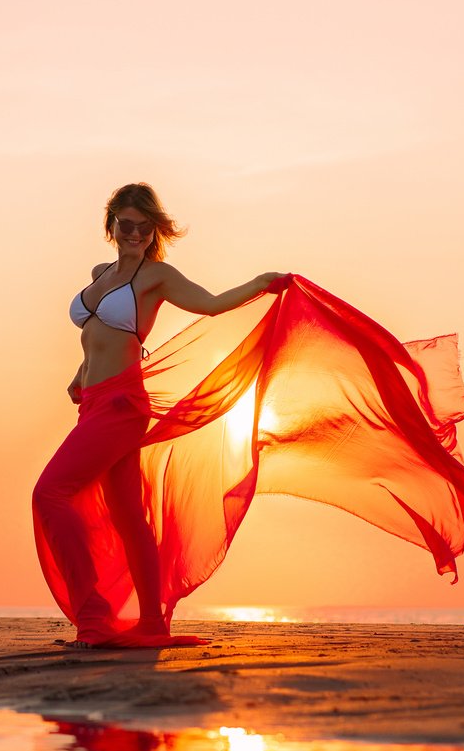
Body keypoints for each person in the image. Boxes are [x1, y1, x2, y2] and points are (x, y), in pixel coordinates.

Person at [32, 182, 286, 648]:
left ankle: (93, 616)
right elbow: (98, 334)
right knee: (130, 515)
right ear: (111, 224)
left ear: (154, 231)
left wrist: (260, 284)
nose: (134, 233)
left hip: (122, 405)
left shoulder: (157, 277)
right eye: (126, 224)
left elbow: (210, 304)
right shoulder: (100, 272)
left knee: (50, 494)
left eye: (144, 227)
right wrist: (81, 373)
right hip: (93, 403)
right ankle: (151, 622)